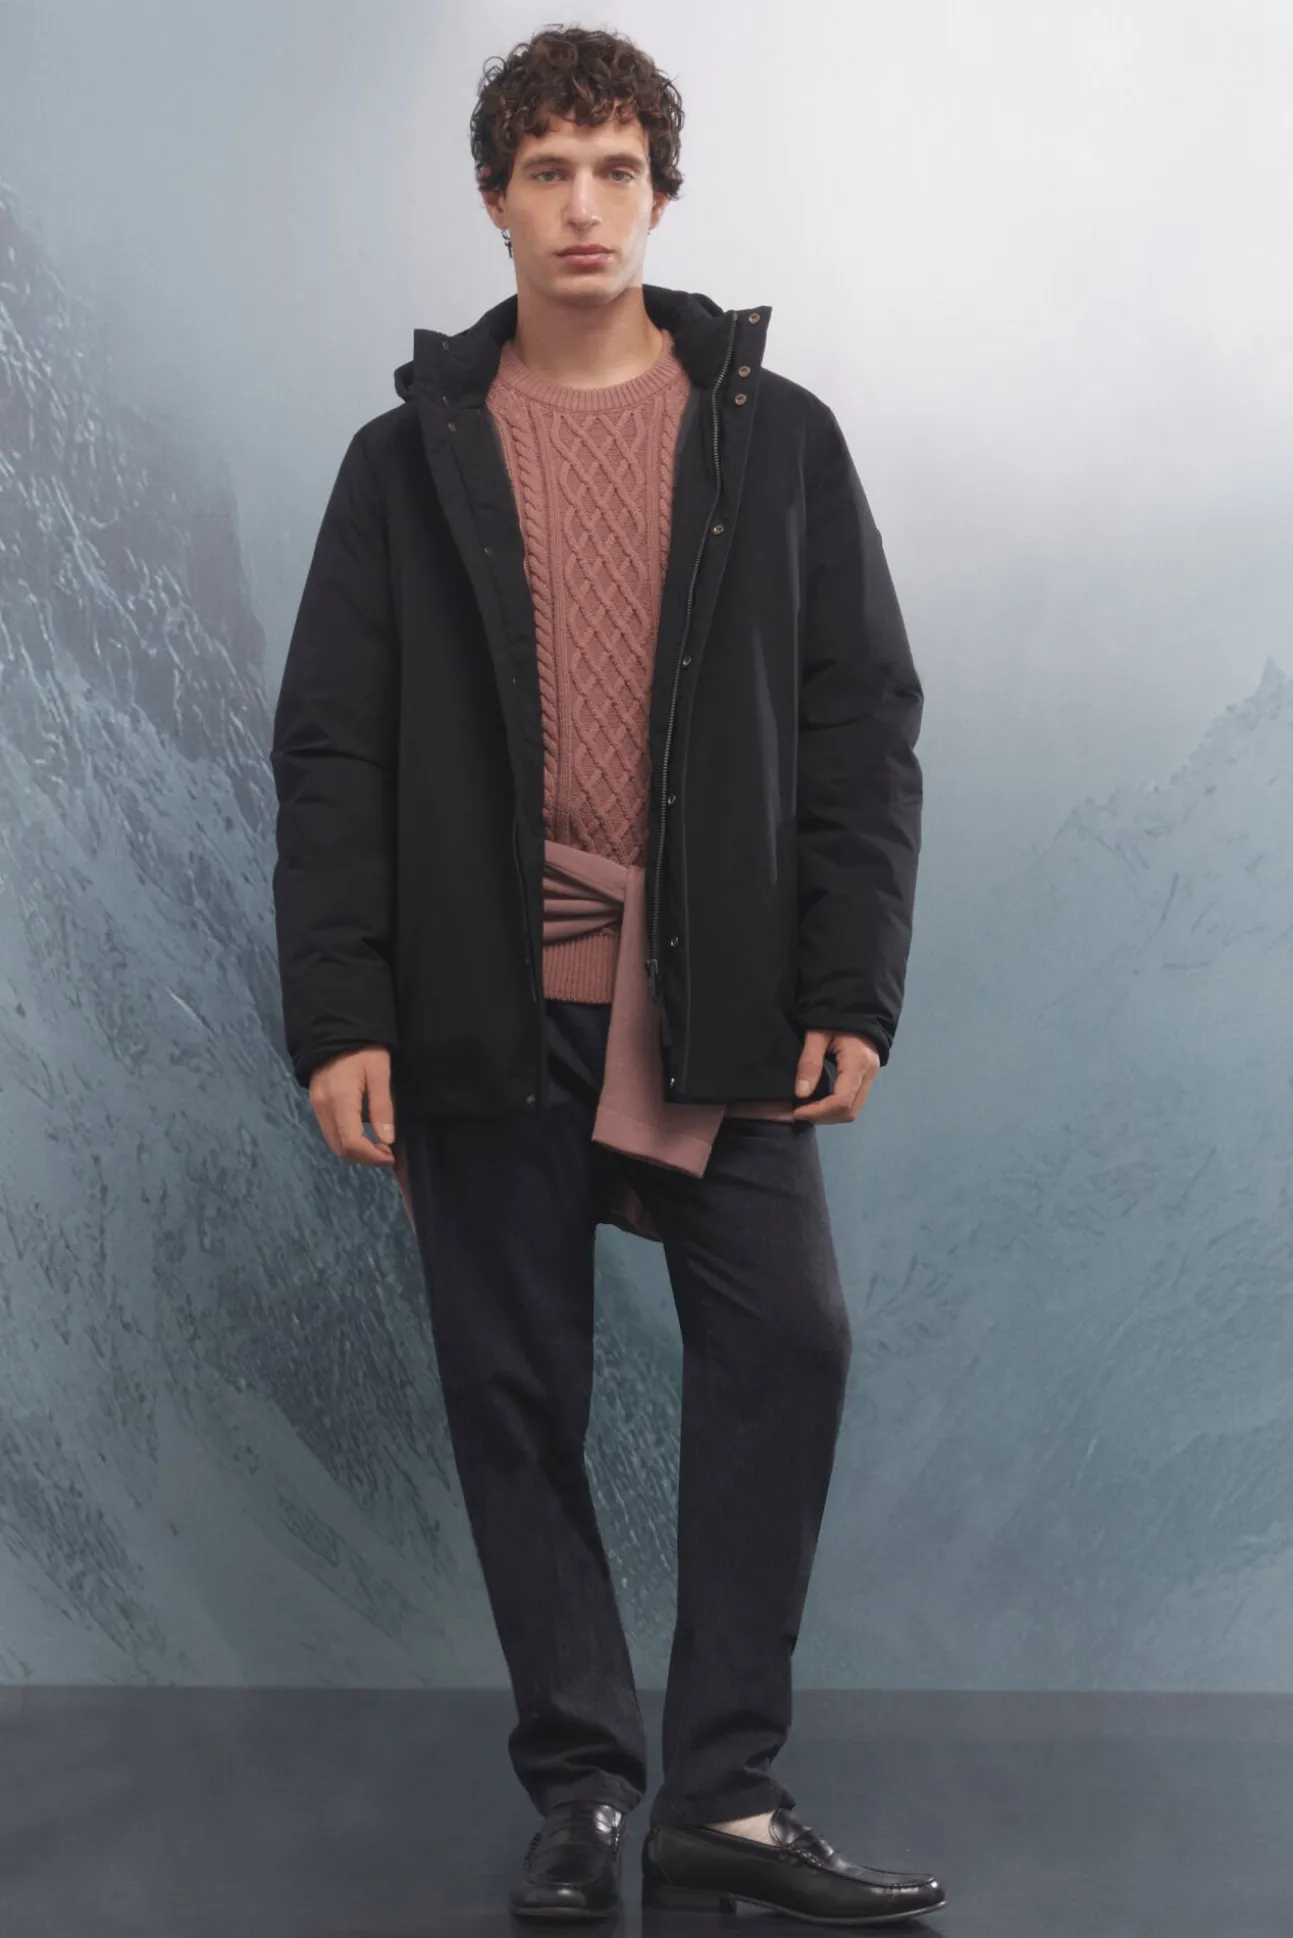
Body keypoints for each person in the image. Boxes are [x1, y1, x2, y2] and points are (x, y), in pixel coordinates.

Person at [270, 22, 942, 1928]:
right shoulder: (403, 464)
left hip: (715, 990)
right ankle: (580, 1788)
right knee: (515, 1386)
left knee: (788, 1338)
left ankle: (724, 1793)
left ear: (663, 193)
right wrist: (341, 1016)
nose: (586, 203)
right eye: (550, 169)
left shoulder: (777, 441)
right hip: (478, 995)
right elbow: (332, 751)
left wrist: (853, 985)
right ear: (494, 199)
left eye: (618, 168)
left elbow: (860, 722)